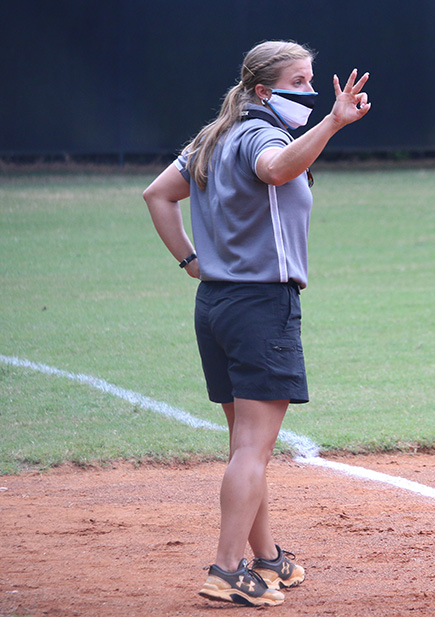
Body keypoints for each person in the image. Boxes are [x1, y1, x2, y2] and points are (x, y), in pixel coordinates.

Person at [142, 40, 370, 605]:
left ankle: (265, 558)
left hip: (217, 306)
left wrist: (192, 262)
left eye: (314, 78)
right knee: (251, 446)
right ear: (264, 90)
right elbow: (275, 168)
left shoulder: (211, 137)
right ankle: (225, 568)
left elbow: (157, 195)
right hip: (261, 307)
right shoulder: (262, 136)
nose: (313, 91)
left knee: (247, 443)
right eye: (300, 79)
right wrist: (334, 126)